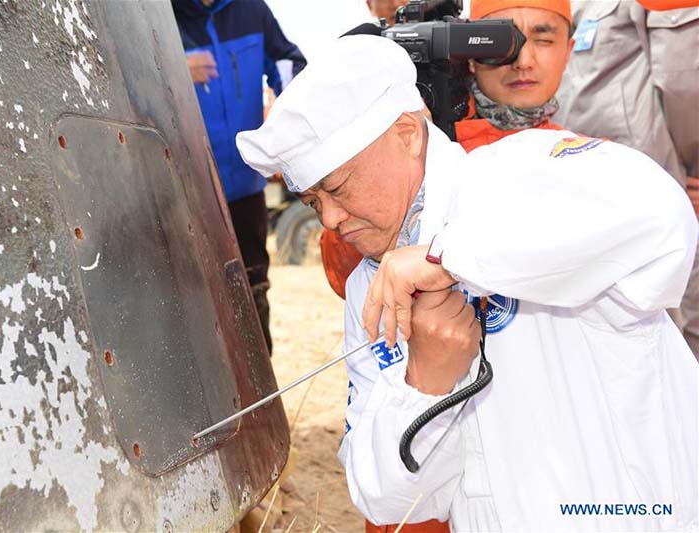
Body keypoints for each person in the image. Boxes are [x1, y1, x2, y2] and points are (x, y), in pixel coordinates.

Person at [236, 33, 698, 532]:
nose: (328, 219)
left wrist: (451, 259)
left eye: (337, 187)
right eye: (311, 201)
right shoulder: (367, 289)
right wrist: (426, 384)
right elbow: (380, 498)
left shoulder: (521, 167)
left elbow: (662, 217)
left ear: (408, 135)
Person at [320, 0, 574, 300]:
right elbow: (346, 277)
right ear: (468, 50)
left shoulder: (587, 160)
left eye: (544, 40)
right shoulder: (418, 142)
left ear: (568, 51)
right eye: (501, 40)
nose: (523, 60)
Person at [555, 0, 699, 356]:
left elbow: (683, 81)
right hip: (581, 191)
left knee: (676, 326)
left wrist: (689, 167)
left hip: (655, 187)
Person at [174, 0, 307, 354]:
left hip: (246, 188)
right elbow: (123, 72)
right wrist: (174, 68)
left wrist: (288, 112)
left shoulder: (251, 10)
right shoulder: (161, 14)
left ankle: (261, 397)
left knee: (253, 290)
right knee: (192, 298)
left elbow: (289, 62)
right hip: (185, 193)